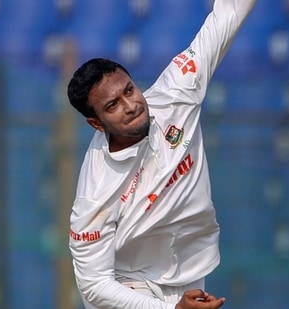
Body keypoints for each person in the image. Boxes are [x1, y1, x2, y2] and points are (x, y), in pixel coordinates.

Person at [66, 0, 257, 308]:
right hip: (127, 287)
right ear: (95, 123)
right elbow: (94, 285)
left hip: (189, 278)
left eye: (128, 90)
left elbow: (227, 15)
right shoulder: (95, 194)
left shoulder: (176, 92)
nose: (130, 105)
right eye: (112, 106)